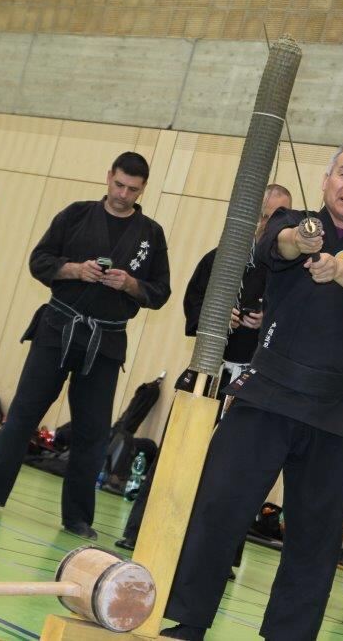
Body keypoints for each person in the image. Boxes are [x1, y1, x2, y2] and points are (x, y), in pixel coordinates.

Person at [162, 144, 343, 641]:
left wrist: (339, 269)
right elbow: (279, 245)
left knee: (315, 541)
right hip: (266, 395)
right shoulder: (291, 220)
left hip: (330, 412)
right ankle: (188, 621)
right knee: (219, 508)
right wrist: (302, 239)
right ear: (326, 180)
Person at [0, 152, 170, 540]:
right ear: (108, 176)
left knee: (92, 432)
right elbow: (39, 261)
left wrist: (129, 284)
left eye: (133, 189)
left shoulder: (151, 234)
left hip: (104, 342)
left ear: (143, 189)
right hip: (58, 328)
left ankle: (77, 518)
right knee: (23, 414)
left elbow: (160, 293)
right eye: (119, 184)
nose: (123, 194)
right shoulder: (75, 214)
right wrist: (74, 269)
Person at [114, 184, 292, 553]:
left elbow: (296, 329)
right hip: (208, 373)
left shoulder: (290, 275)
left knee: (238, 473)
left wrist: (267, 324)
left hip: (252, 384)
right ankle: (139, 531)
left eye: (281, 217)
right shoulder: (220, 261)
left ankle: (219, 554)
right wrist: (217, 318)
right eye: (265, 215)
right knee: (175, 456)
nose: (270, 224)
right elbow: (192, 305)